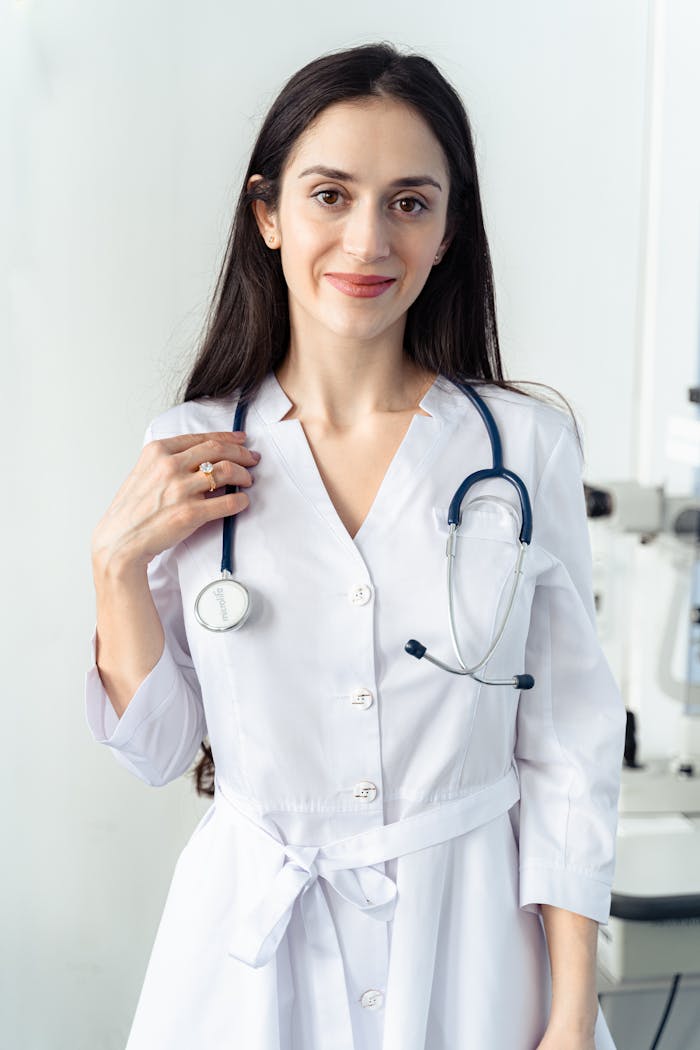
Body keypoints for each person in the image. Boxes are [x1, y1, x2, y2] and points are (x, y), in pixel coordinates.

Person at [85, 42, 626, 1050]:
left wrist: (565, 1012)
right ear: (268, 213)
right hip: (247, 968)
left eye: (409, 202)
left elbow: (567, 751)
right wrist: (115, 567)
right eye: (330, 194)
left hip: (473, 948)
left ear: (447, 229)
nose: (367, 239)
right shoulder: (188, 451)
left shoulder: (524, 447)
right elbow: (157, 749)